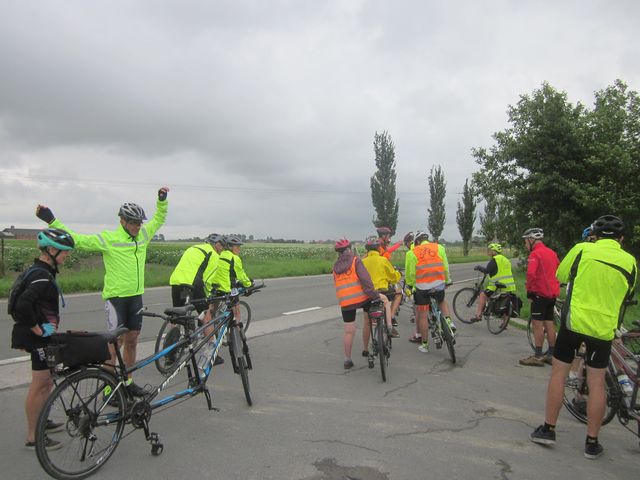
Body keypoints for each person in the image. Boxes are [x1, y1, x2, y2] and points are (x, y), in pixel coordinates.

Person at [35, 187, 169, 397]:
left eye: (139, 222)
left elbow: (159, 218)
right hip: (116, 298)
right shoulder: (109, 238)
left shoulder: (144, 234)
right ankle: (108, 388)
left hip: (135, 296)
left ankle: (127, 382)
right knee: (115, 344)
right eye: (133, 222)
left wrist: (162, 200)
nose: (137, 226)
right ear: (122, 221)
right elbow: (77, 240)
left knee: (133, 340)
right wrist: (52, 221)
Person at [530, 215, 637, 459]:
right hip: (603, 329)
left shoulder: (582, 250)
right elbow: (628, 290)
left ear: (595, 237)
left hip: (574, 323)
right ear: (621, 239)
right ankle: (592, 442)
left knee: (559, 373)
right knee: (597, 383)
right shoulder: (630, 261)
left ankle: (548, 429)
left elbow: (561, 275)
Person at [11, 228, 75, 450]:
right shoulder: (41, 274)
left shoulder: (42, 270)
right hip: (36, 337)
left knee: (47, 381)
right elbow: (21, 306)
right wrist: (37, 330)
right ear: (51, 250)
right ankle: (33, 437)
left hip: (41, 336)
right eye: (65, 251)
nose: (67, 255)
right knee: (39, 385)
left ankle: (42, 422)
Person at [333, 238, 390, 369]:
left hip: (346, 302)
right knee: (371, 320)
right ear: (349, 249)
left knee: (348, 331)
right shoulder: (355, 261)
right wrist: (375, 294)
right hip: (362, 299)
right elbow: (366, 280)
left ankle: (347, 360)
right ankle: (377, 340)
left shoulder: (335, 267)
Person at [405, 230, 454, 353]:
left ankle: (425, 345)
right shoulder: (439, 248)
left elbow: (410, 273)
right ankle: (449, 322)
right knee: (442, 301)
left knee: (422, 315)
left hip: (422, 288)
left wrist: (410, 286)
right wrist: (447, 280)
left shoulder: (412, 252)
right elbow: (445, 266)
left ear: (417, 241)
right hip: (438, 284)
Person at [519, 228, 560, 367]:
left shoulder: (535, 254)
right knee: (549, 323)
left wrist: (530, 291)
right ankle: (551, 354)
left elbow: (531, 274)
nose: (525, 245)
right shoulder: (552, 253)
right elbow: (558, 271)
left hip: (539, 293)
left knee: (537, 324)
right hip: (551, 294)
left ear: (531, 240)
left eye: (525, 241)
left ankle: (537, 356)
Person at [361, 236, 401, 355]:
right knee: (392, 298)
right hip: (382, 292)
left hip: (367, 295)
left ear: (367, 250)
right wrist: (398, 275)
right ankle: (389, 324)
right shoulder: (383, 260)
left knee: (367, 323)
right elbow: (393, 277)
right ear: (378, 248)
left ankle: (365, 349)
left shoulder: (362, 262)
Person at [169, 233, 225, 310]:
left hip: (176, 281)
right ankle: (205, 320)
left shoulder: (192, 248)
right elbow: (207, 279)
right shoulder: (213, 254)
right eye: (223, 247)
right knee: (205, 313)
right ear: (218, 244)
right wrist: (208, 295)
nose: (222, 250)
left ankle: (173, 322)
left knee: (177, 314)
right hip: (190, 284)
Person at [470, 243, 516, 324]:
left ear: (494, 251)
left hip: (497, 285)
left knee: (482, 295)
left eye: (490, 250)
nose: (489, 252)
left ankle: (478, 315)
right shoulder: (506, 259)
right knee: (505, 302)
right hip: (510, 286)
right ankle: (505, 323)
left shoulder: (495, 260)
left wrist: (478, 267)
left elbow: (486, 270)